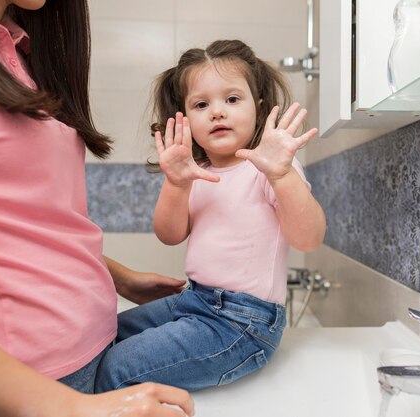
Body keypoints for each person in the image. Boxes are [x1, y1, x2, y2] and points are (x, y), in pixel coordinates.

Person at [0, 1, 194, 416]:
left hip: (83, 359)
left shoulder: (18, 49)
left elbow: (18, 219)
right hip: (27, 383)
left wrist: (114, 275)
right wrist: (70, 409)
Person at [94, 39, 327, 393]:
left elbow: (308, 239)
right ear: (185, 119)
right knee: (101, 336)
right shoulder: (194, 170)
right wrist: (176, 182)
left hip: (241, 323)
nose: (217, 111)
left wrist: (282, 176)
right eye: (202, 104)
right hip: (195, 300)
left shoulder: (269, 167)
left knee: (117, 368)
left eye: (232, 99)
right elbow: (170, 234)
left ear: (258, 106)